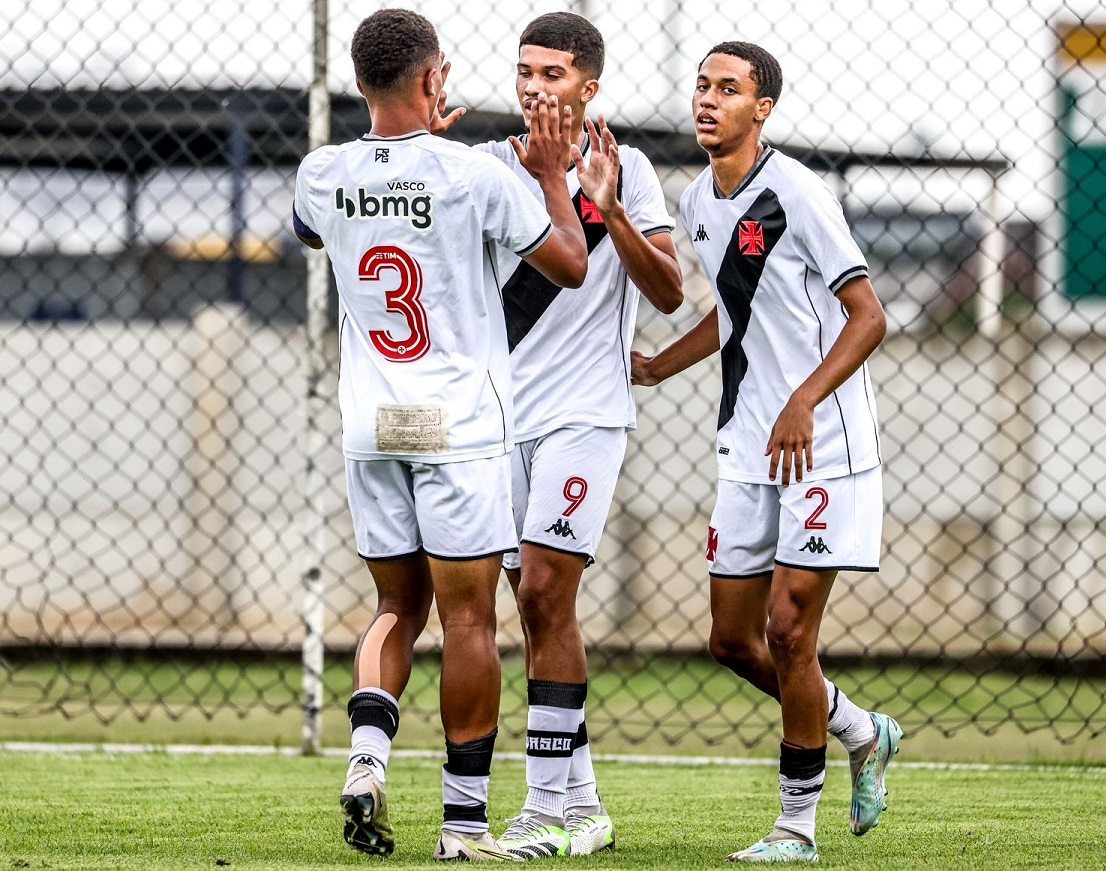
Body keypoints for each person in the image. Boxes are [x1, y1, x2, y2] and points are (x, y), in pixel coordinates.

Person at [291, 8, 602, 861]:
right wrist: (544, 176)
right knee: (469, 623)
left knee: (396, 607)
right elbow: (572, 264)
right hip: (457, 426)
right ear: (435, 80)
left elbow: (321, 229)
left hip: (373, 423)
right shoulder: (475, 175)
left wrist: (403, 149)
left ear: (359, 84)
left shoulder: (320, 172)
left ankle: (365, 758)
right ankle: (463, 826)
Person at [631, 41, 903, 862]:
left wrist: (803, 398)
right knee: (730, 640)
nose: (708, 100)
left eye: (729, 89)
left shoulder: (797, 192)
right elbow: (735, 313)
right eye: (702, 86)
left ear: (764, 108)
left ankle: (795, 827)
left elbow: (869, 315)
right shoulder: (697, 201)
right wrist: (657, 364)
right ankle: (861, 728)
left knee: (790, 634)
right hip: (748, 446)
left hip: (821, 445)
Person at [433, 12, 684, 859]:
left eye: (553, 73)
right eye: (525, 71)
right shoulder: (482, 166)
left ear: (589, 86)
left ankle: (540, 812)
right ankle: (586, 808)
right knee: (535, 614)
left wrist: (609, 210)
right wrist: (423, 154)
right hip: (499, 422)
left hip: (587, 414)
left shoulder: (629, 168)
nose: (535, 86)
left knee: (545, 593)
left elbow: (669, 292)